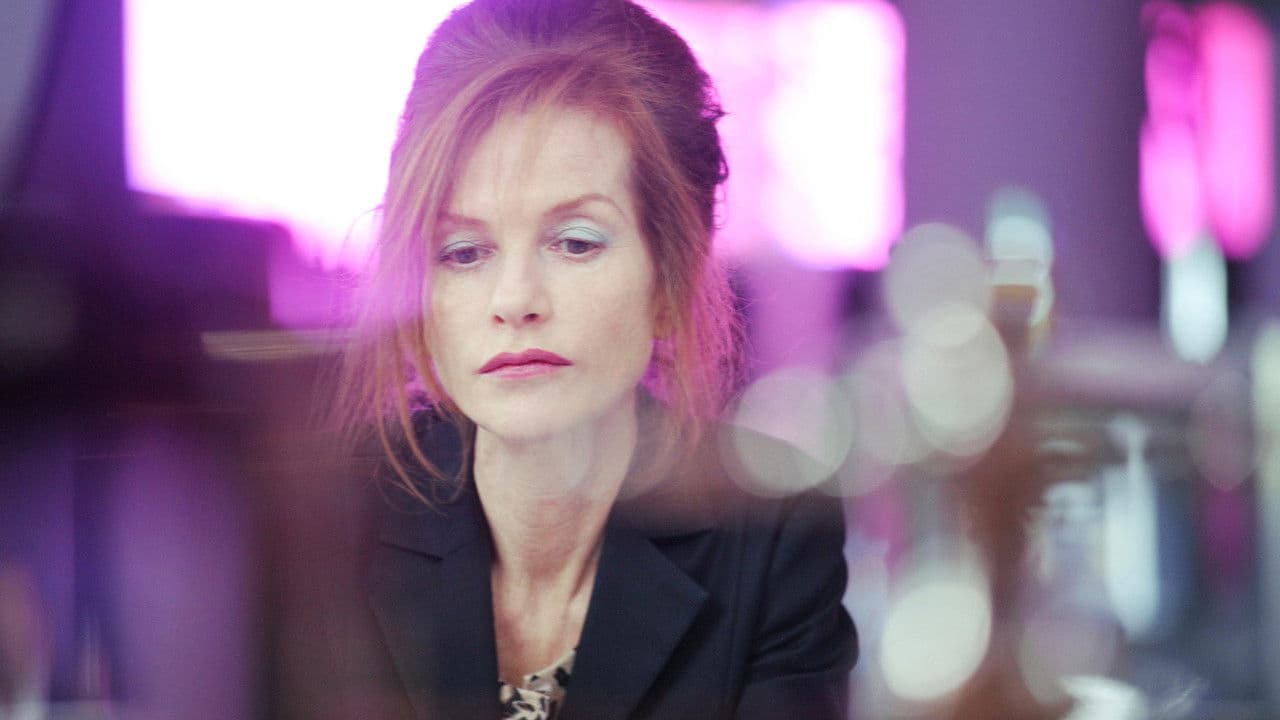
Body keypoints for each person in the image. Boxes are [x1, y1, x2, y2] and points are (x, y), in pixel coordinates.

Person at [338, 0, 858, 717]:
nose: (514, 300)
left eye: (576, 242)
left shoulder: (771, 533)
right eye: (464, 252)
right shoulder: (331, 516)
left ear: (671, 276)